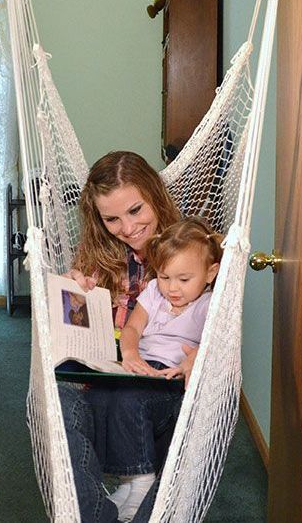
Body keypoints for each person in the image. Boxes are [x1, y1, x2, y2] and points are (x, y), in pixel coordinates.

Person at [59, 150, 181, 523]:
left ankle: (140, 491)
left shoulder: (189, 251)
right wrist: (70, 294)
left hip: (161, 392)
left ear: (155, 194)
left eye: (135, 210)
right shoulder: (98, 257)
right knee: (54, 401)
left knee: (141, 399)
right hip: (105, 387)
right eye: (111, 218)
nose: (127, 228)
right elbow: (73, 336)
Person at [97, 217, 223, 522]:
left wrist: (190, 360)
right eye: (166, 277)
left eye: (183, 279)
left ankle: (141, 479)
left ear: (210, 273)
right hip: (140, 367)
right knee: (102, 398)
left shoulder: (209, 304)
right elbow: (132, 328)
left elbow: (215, 344)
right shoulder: (154, 291)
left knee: (129, 402)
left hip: (170, 379)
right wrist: (128, 352)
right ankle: (129, 484)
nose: (172, 288)